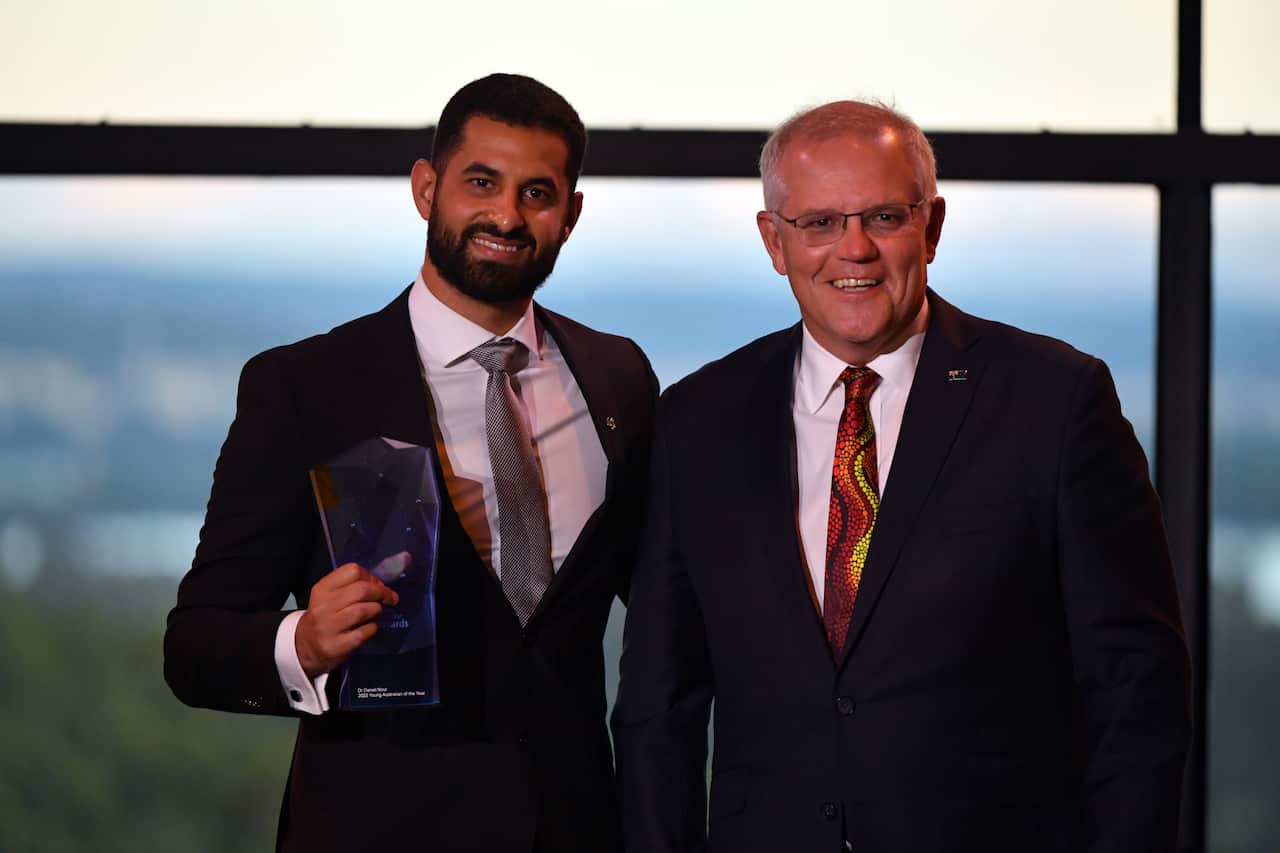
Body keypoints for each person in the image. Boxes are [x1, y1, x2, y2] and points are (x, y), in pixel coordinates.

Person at [611, 100, 1190, 853]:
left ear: (932, 225)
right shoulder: (700, 420)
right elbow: (660, 704)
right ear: (774, 241)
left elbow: (1136, 690)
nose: (853, 250)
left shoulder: (1054, 401)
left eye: (883, 217)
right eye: (819, 223)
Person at [165, 73, 657, 853]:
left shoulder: (618, 376)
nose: (506, 214)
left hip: (575, 829)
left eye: (538, 192)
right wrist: (305, 643)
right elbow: (194, 648)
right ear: (427, 188)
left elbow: (666, 598)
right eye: (482, 183)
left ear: (572, 213)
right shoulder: (304, 387)